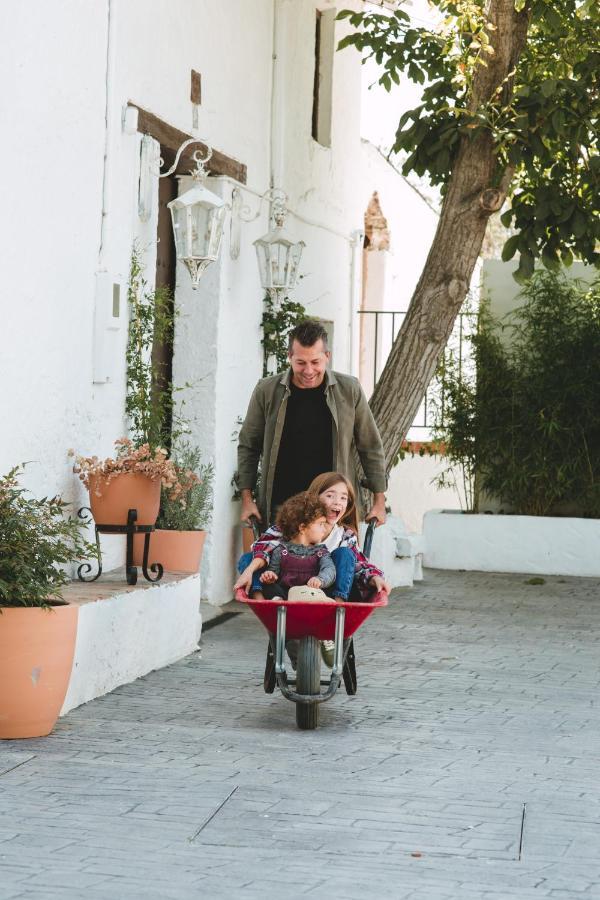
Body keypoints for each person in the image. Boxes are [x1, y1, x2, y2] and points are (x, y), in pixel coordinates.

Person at [237, 319, 387, 529]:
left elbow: (370, 446)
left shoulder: (349, 390)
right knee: (280, 563)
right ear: (290, 357)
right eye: (300, 362)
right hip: (282, 509)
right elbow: (248, 445)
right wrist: (246, 499)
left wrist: (380, 501)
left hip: (333, 512)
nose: (308, 371)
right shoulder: (267, 390)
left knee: (336, 563)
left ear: (327, 356)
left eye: (315, 362)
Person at [234, 472, 390, 601]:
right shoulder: (292, 525)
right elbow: (264, 547)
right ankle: (261, 602)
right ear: (315, 497)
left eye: (343, 498)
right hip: (285, 591)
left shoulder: (343, 535)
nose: (337, 502)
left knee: (345, 554)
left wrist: (374, 577)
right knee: (248, 559)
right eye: (330, 495)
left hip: (323, 593)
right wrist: (250, 571)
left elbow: (359, 564)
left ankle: (338, 607)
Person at [258, 493, 336, 600]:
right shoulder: (281, 550)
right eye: (321, 524)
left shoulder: (321, 551)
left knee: (330, 588)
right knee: (267, 586)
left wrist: (320, 580)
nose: (324, 529)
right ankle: (279, 601)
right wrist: (270, 576)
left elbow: (329, 569)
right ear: (302, 528)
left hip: (312, 593)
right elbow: (274, 572)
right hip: (288, 594)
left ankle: (324, 602)